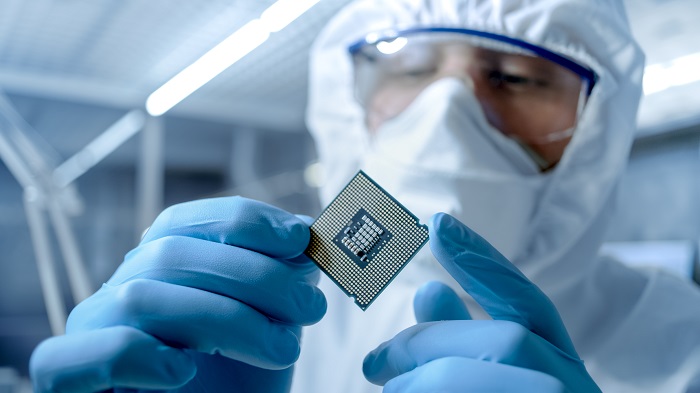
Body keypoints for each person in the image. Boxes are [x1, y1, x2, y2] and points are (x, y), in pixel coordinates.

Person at [29, 0, 700, 392]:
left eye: (517, 80)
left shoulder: (684, 349)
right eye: (410, 70)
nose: (447, 116)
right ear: (350, 106)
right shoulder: (275, 319)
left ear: (596, 129)